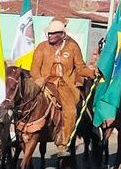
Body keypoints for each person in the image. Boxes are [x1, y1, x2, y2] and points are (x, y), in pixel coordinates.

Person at [29, 19, 88, 149]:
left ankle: (63, 143)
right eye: (49, 33)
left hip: (65, 85)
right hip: (44, 82)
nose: (50, 35)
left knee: (71, 111)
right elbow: (34, 69)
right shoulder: (42, 47)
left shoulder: (72, 47)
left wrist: (93, 72)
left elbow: (80, 68)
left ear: (62, 35)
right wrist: (40, 82)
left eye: (53, 33)